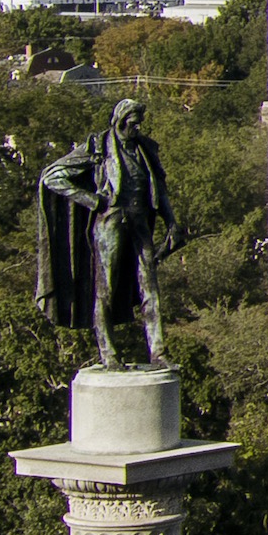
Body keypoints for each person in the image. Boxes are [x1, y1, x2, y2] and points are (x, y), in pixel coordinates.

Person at [38, 98, 185, 367]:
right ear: (120, 120)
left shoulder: (145, 150)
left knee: (150, 289)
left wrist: (172, 222)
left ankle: (159, 352)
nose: (138, 127)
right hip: (111, 222)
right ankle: (109, 354)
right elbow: (52, 177)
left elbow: (159, 189)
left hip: (140, 221)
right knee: (106, 288)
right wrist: (90, 199)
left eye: (140, 122)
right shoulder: (98, 146)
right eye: (133, 122)